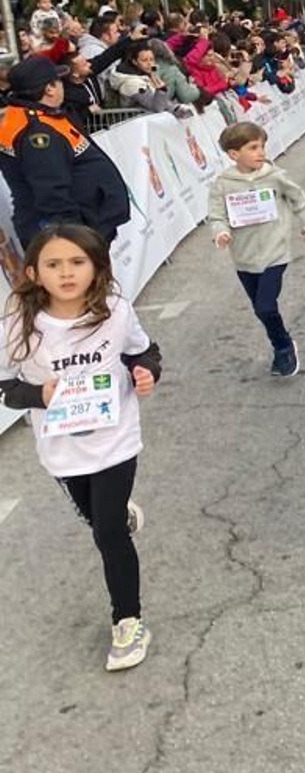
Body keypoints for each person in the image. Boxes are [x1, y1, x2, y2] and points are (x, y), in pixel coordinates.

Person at [0, 225, 162, 671]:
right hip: (60, 448)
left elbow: (144, 353)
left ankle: (128, 621)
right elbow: (6, 387)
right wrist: (39, 396)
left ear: (96, 268)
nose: (66, 273)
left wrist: (147, 372)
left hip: (115, 439)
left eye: (77, 262)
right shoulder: (19, 325)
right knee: (100, 521)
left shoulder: (115, 312)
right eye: (54, 264)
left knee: (107, 534)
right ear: (33, 272)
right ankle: (122, 515)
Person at [206, 121, 305, 377]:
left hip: (275, 253)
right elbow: (216, 215)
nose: (261, 152)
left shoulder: (275, 176)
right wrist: (220, 232)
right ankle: (281, 344)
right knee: (260, 308)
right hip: (244, 258)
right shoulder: (223, 183)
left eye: (262, 146)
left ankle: (284, 346)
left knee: (266, 306)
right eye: (253, 147)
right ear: (234, 154)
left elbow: (298, 198)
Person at [0, 56, 131, 245]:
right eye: (59, 81)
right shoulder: (37, 134)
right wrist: (77, 241)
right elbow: (52, 194)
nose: (63, 85)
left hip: (86, 224)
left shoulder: (43, 116)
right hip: (72, 234)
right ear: (49, 89)